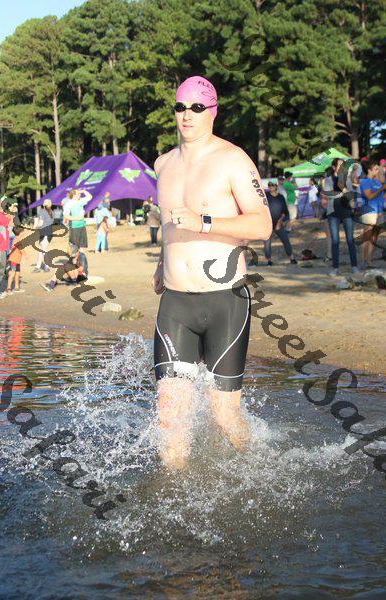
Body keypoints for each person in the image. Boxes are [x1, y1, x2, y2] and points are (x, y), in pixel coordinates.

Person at [152, 75, 272, 470]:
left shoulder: (233, 160)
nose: (187, 114)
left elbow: (262, 225)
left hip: (225, 302)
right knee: (170, 422)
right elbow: (170, 224)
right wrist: (162, 262)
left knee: (224, 416)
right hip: (175, 304)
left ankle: (260, 472)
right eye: (180, 106)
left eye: (197, 107)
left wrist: (204, 222)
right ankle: (173, 499)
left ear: (213, 112)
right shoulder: (163, 164)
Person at [326, 158, 358, 276]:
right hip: (333, 213)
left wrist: (352, 202)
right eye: (339, 165)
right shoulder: (328, 180)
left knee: (350, 240)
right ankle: (335, 268)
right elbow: (329, 195)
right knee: (335, 241)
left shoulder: (347, 179)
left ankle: (354, 266)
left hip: (347, 212)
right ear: (334, 167)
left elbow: (351, 195)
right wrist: (342, 191)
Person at [359, 160, 386, 268]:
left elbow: (381, 197)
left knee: (374, 237)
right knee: (367, 237)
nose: (377, 170)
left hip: (379, 212)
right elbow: (369, 196)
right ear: (369, 170)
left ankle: (369, 261)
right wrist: (382, 188)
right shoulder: (365, 182)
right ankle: (363, 261)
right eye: (375, 169)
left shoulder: (377, 182)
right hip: (369, 212)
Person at [263, 182, 296, 265]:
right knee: (267, 243)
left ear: (276, 186)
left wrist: (279, 221)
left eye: (272, 185)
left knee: (285, 240)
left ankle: (292, 258)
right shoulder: (265, 196)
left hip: (278, 223)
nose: (271, 186)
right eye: (269, 185)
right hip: (267, 223)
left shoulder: (280, 197)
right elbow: (261, 208)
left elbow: (285, 211)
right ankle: (269, 261)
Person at [63, 188, 92, 253]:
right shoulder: (68, 204)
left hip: (82, 225)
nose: (80, 194)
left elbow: (90, 197)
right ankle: (73, 257)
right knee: (74, 246)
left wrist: (83, 191)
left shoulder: (81, 201)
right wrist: (76, 218)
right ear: (74, 195)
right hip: (74, 226)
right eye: (78, 193)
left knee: (82, 246)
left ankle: (80, 258)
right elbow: (66, 215)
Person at [34, 199, 54, 272]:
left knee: (44, 250)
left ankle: (46, 266)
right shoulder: (52, 212)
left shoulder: (42, 211)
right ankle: (38, 266)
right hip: (49, 233)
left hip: (44, 233)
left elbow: (41, 223)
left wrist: (35, 226)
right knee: (41, 250)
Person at [7, 226, 27, 294]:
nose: (24, 232)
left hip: (17, 260)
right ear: (20, 232)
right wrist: (26, 255)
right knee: (12, 274)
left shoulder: (18, 239)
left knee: (17, 273)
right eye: (23, 231)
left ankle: (16, 287)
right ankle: (8, 288)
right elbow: (20, 248)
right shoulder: (16, 239)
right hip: (13, 260)